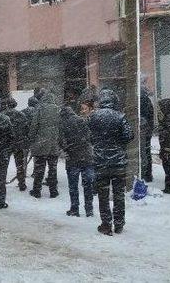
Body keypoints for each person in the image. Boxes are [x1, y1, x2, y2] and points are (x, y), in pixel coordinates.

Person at [87, 89, 133, 236]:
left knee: (103, 194)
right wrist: (118, 143)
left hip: (101, 162)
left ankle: (106, 224)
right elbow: (129, 136)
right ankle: (119, 223)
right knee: (119, 194)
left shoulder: (93, 117)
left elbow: (88, 137)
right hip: (118, 162)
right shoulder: (120, 116)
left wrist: (99, 143)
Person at [59, 106, 94, 217]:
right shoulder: (82, 120)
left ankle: (75, 208)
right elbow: (90, 137)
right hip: (87, 158)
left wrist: (66, 150)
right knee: (88, 184)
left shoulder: (63, 124)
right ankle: (89, 209)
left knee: (73, 186)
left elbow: (60, 141)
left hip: (72, 158)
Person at [28, 91, 61, 199]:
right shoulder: (57, 109)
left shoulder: (40, 109)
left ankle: (37, 190)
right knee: (53, 169)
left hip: (41, 143)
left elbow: (34, 126)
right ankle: (53, 191)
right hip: (53, 143)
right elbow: (61, 126)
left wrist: (31, 138)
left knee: (39, 168)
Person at [2, 97, 29, 191]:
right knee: (20, 165)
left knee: (4, 165)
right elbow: (26, 129)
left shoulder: (3, 115)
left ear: (7, 105)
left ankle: (2, 184)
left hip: (7, 143)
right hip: (18, 143)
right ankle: (22, 183)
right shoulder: (21, 115)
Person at [140, 85, 155, 182]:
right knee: (147, 152)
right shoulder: (148, 101)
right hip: (148, 130)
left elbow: (142, 118)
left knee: (143, 153)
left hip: (143, 131)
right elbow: (151, 117)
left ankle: (144, 173)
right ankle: (148, 174)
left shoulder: (140, 101)